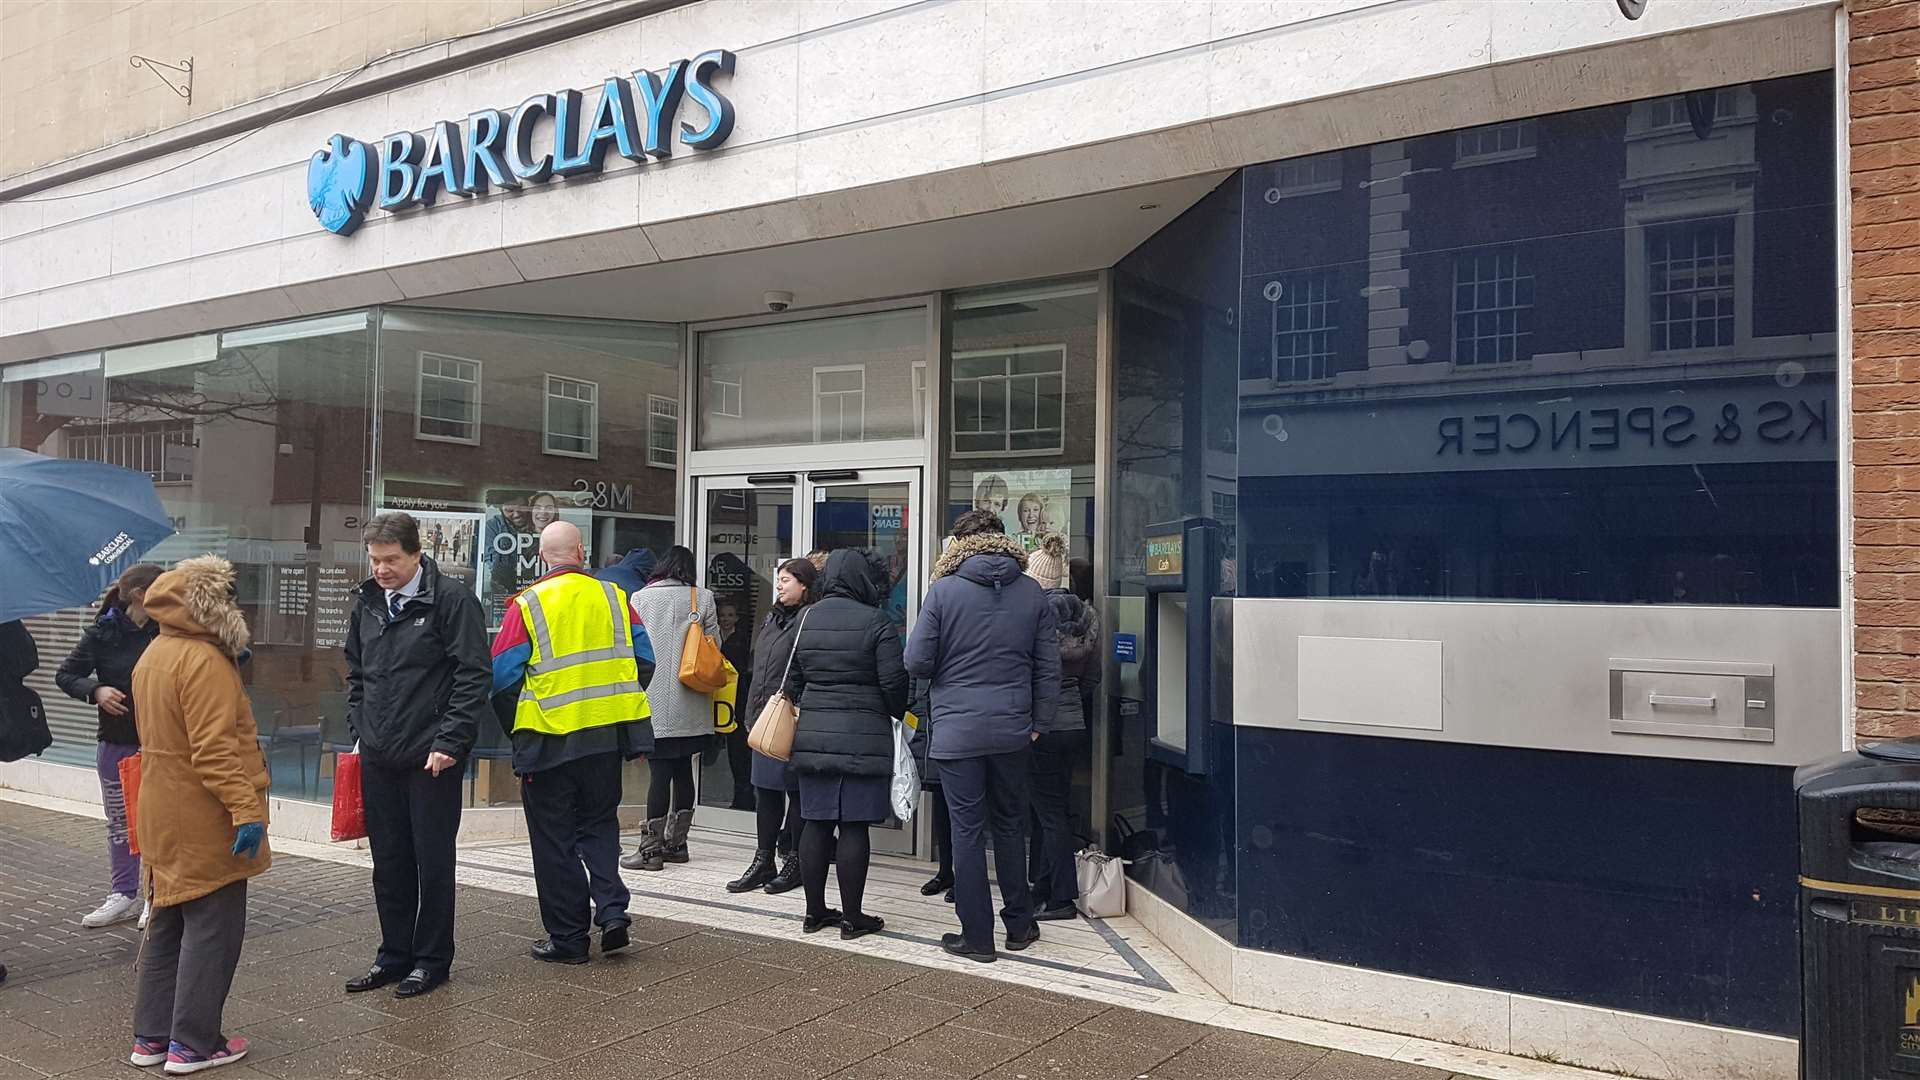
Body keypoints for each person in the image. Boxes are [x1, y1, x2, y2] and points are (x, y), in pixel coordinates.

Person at [128, 555, 269, 1074]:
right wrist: (245, 809)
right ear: (212, 606)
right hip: (204, 812)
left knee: (167, 918)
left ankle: (152, 1037)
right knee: (213, 928)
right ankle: (194, 1042)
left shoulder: (156, 652)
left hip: (162, 804)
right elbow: (214, 750)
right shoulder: (204, 661)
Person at [341, 513, 490, 999]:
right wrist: (359, 727)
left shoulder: (451, 601)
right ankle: (393, 955)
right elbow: (356, 673)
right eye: (374, 560)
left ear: (416, 555)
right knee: (389, 861)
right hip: (379, 753)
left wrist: (450, 741)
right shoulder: (366, 603)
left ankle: (431, 960)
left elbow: (472, 675)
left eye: (391, 561)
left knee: (431, 861)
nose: (381, 570)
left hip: (432, 757)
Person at [491, 521, 653, 964]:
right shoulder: (615, 598)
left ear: (543, 556)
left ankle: (568, 939)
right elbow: (645, 660)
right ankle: (613, 911)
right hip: (603, 737)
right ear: (581, 551)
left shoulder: (527, 604)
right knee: (599, 825)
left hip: (548, 741)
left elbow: (502, 678)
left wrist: (519, 727)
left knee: (554, 840)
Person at [905, 510, 1059, 963]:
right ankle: (1020, 925)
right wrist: (1039, 722)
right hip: (1014, 730)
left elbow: (916, 661)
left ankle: (977, 937)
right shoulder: (1032, 592)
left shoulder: (944, 591)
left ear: (959, 545)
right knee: (1011, 826)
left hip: (956, 732)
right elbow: (1047, 668)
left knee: (967, 832)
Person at [784, 549, 909, 940]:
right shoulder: (877, 622)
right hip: (863, 736)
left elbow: (793, 681)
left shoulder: (806, 619)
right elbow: (894, 685)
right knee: (854, 826)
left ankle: (814, 912)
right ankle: (854, 917)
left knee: (815, 823)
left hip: (815, 735)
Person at [56, 563, 163, 931]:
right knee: (120, 822)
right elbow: (65, 675)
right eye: (161, 588)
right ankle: (124, 894)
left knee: (157, 822)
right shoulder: (102, 634)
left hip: (160, 745)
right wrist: (96, 691)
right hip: (116, 742)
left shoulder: (169, 631)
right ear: (139, 595)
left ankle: (156, 895)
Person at [621, 546, 720, 871]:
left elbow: (629, 648)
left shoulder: (640, 598)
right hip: (692, 701)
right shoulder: (702, 598)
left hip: (654, 701)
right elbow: (714, 646)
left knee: (659, 775)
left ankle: (650, 851)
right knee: (683, 772)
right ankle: (677, 844)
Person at [726, 557, 816, 894]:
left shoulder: (808, 619)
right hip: (762, 716)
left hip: (790, 718)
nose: (779, 585)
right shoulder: (771, 618)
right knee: (765, 793)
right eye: (779, 579)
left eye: (787, 580)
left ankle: (795, 861)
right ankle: (763, 860)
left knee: (795, 793)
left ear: (805, 585)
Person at [1023, 535, 1089, 921]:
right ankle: (1045, 886)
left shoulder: (1037, 616)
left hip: (1043, 725)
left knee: (1047, 813)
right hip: (1074, 721)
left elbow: (1031, 673)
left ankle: (1061, 895)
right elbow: (1092, 677)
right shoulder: (1085, 614)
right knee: (1057, 807)